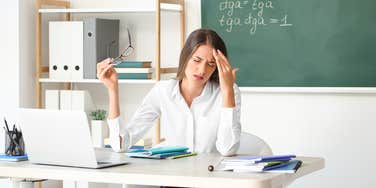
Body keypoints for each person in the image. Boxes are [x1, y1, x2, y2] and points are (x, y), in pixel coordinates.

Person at [97, 28, 241, 156]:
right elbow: (120, 145)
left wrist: (227, 90)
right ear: (185, 57)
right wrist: (113, 89)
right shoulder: (163, 91)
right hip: (173, 178)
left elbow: (228, 149)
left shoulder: (227, 92)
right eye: (196, 60)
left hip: (210, 180)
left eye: (211, 64)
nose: (202, 70)